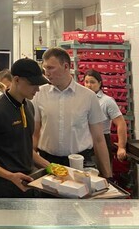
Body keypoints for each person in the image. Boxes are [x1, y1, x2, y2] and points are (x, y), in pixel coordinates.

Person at [0, 58, 50, 198]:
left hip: (27, 182)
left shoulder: (29, 106)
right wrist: (10, 176)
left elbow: (24, 148)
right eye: (33, 84)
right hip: (2, 187)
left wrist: (50, 167)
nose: (37, 89)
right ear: (17, 80)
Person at [33, 47, 112, 178]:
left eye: (51, 68)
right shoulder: (39, 94)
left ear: (66, 66)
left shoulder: (88, 96)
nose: (46, 73)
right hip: (47, 162)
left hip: (79, 163)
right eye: (45, 68)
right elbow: (34, 134)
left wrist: (108, 176)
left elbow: (99, 139)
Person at [84, 69, 127, 161]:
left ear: (99, 83)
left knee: (103, 168)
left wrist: (121, 147)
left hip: (102, 138)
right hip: (85, 139)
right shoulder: (82, 100)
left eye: (92, 82)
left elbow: (121, 123)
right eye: (86, 82)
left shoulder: (107, 101)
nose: (89, 85)